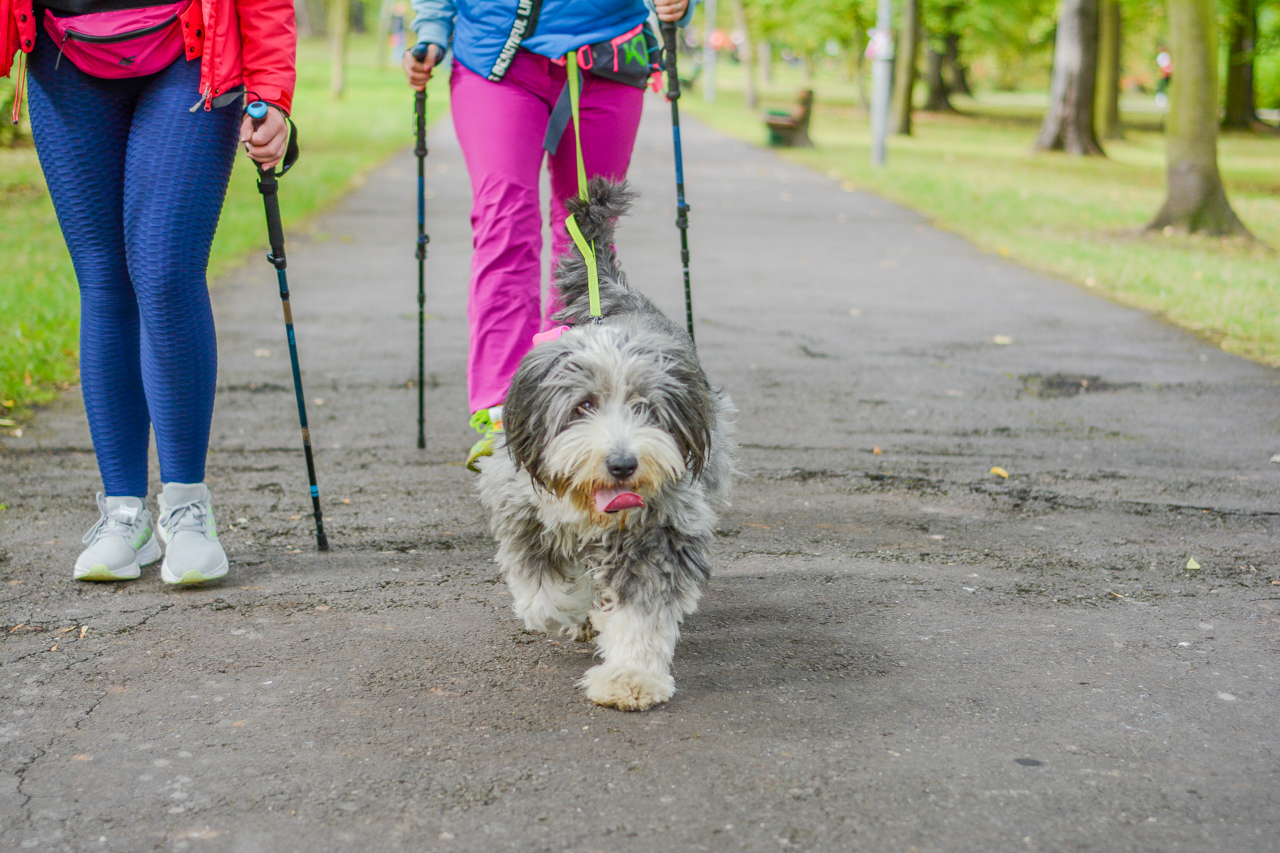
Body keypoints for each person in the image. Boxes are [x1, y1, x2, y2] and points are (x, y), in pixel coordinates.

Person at [1, 0, 296, 583]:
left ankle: (186, 509)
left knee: (164, 273)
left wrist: (272, 93)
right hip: (63, 55)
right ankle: (124, 515)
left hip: (190, 53)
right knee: (104, 281)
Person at [402, 0, 695, 471]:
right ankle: (501, 413)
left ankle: (576, 404)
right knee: (504, 225)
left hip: (607, 56)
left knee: (586, 235)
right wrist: (433, 27)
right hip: (496, 57)